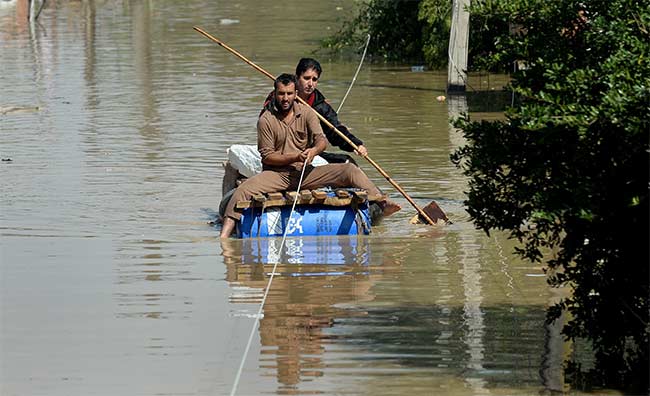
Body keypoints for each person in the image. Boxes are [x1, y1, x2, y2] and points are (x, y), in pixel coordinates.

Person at [220, 73, 400, 238]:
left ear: (295, 94)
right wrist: (295, 157)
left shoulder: (307, 113)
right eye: (281, 94)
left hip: (307, 173)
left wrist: (313, 151)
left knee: (350, 170)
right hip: (277, 175)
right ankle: (224, 237)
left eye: (289, 94)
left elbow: (322, 140)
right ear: (274, 94)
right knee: (242, 191)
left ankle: (383, 203)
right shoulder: (266, 120)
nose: (285, 98)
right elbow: (267, 157)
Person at [262, 58, 367, 160]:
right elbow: (265, 120)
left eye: (314, 79)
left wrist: (355, 144)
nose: (310, 84)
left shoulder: (319, 105)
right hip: (279, 153)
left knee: (347, 162)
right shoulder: (280, 96)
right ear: (297, 77)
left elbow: (335, 129)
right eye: (306, 78)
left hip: (308, 152)